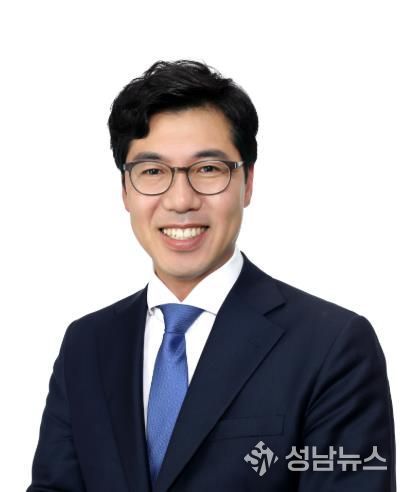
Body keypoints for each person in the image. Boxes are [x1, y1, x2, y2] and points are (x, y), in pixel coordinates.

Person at [27, 60, 396, 492]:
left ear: (247, 183)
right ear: (125, 190)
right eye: (152, 172)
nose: (181, 200)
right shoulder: (86, 345)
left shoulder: (332, 345)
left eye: (208, 170)